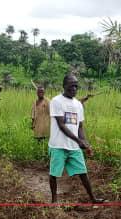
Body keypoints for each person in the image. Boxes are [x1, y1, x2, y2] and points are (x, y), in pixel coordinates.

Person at [48, 74, 104, 204]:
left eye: (76, 86)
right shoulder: (56, 101)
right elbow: (61, 125)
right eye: (71, 85)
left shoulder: (78, 104)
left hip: (73, 147)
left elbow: (80, 127)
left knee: (83, 172)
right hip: (58, 145)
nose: (74, 88)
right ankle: (54, 200)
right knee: (54, 174)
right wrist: (79, 141)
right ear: (64, 85)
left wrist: (85, 143)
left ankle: (92, 198)